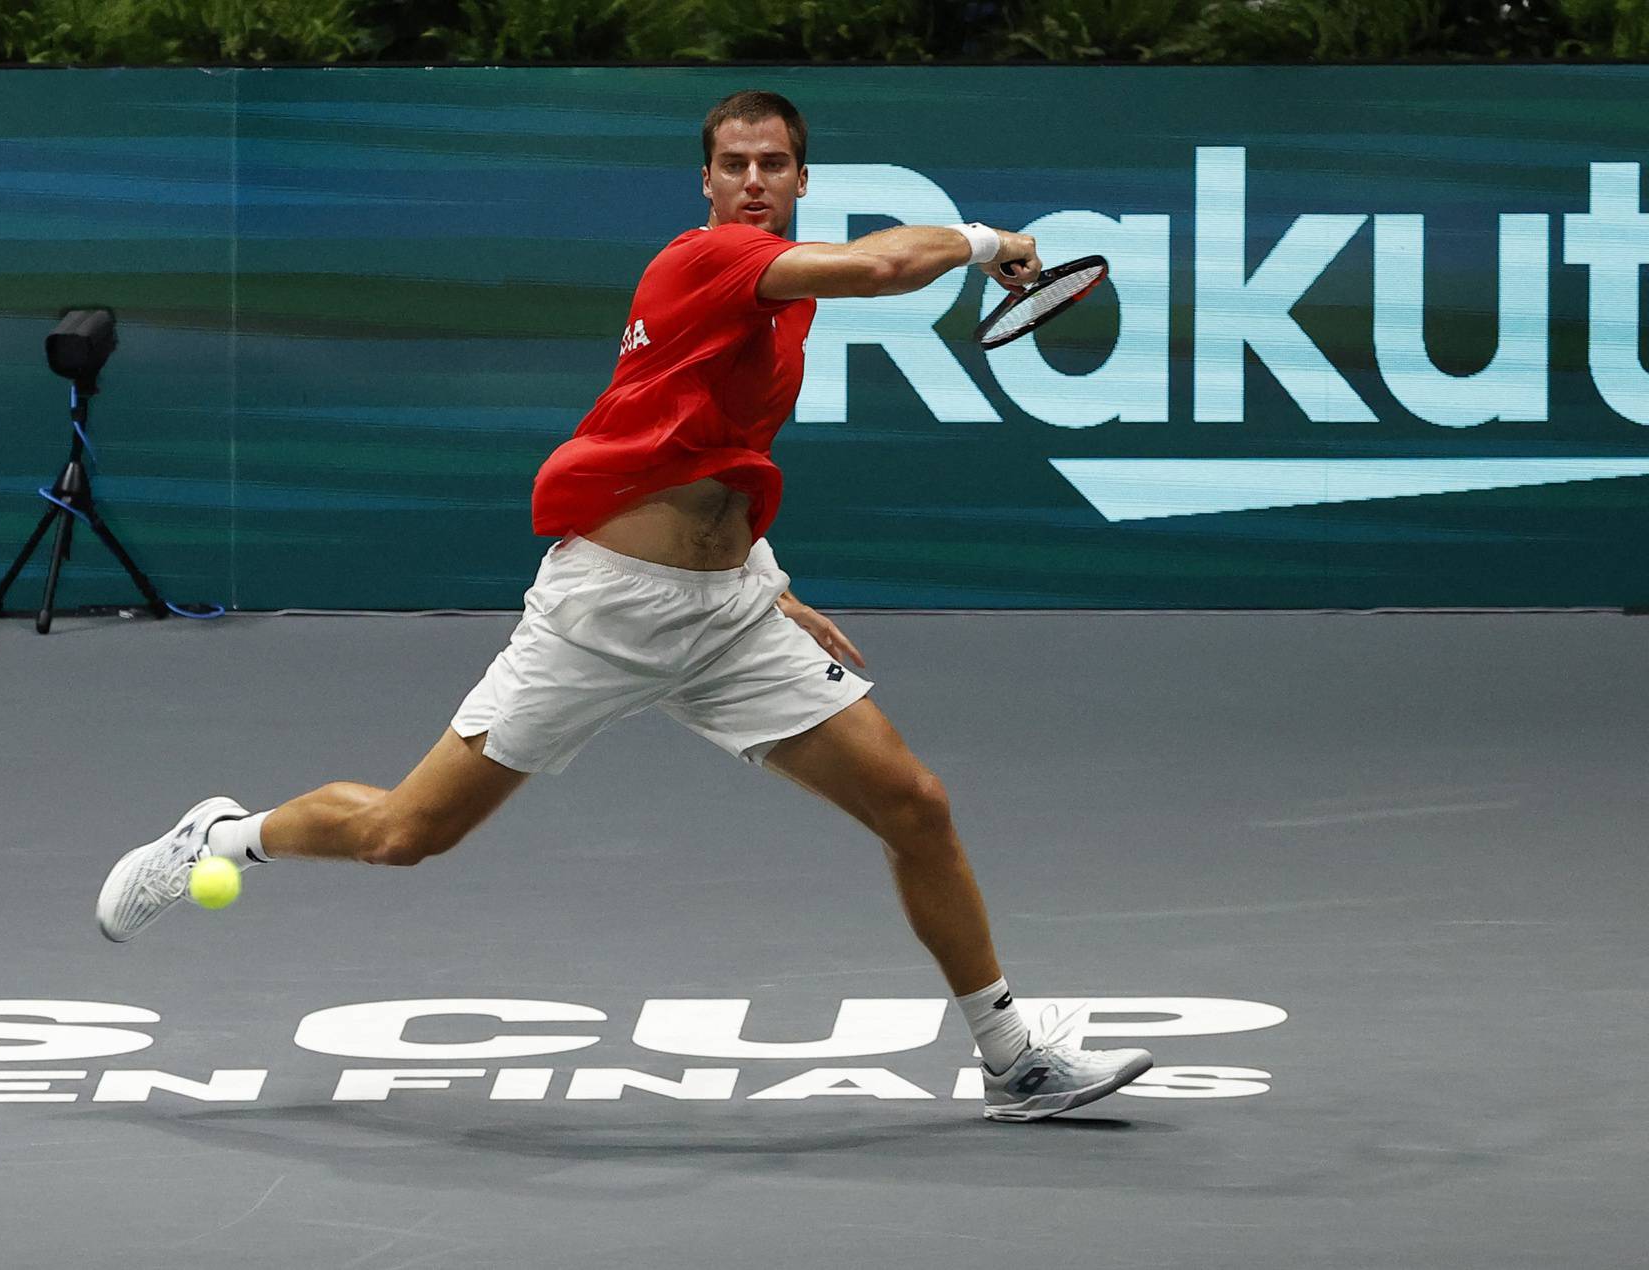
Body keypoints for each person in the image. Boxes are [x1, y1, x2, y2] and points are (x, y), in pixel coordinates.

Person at [97, 89, 1151, 1121]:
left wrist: (767, 584)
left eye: (771, 165)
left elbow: (716, 452)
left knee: (913, 802)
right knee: (403, 834)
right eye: (733, 164)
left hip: (730, 615)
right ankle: (228, 837)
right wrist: (983, 240)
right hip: (603, 612)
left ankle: (1012, 1058)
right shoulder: (703, 260)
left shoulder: (786, 305)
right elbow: (882, 265)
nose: (751, 181)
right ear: (704, 180)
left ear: (799, 179)